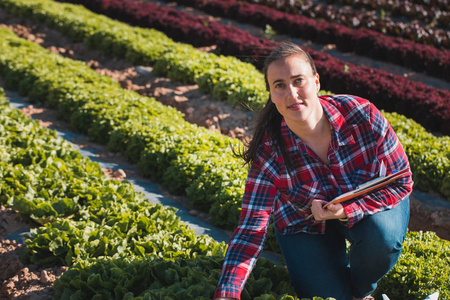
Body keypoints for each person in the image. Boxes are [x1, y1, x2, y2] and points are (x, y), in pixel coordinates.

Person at [213, 42, 413, 300]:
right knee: (326, 297)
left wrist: (346, 210)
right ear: (271, 94)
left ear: (316, 82)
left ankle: (361, 291)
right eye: (280, 85)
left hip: (366, 213)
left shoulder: (362, 115)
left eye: (298, 81)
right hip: (304, 226)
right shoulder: (270, 151)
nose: (291, 93)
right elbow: (251, 226)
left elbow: (402, 181)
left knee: (382, 239)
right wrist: (228, 291)